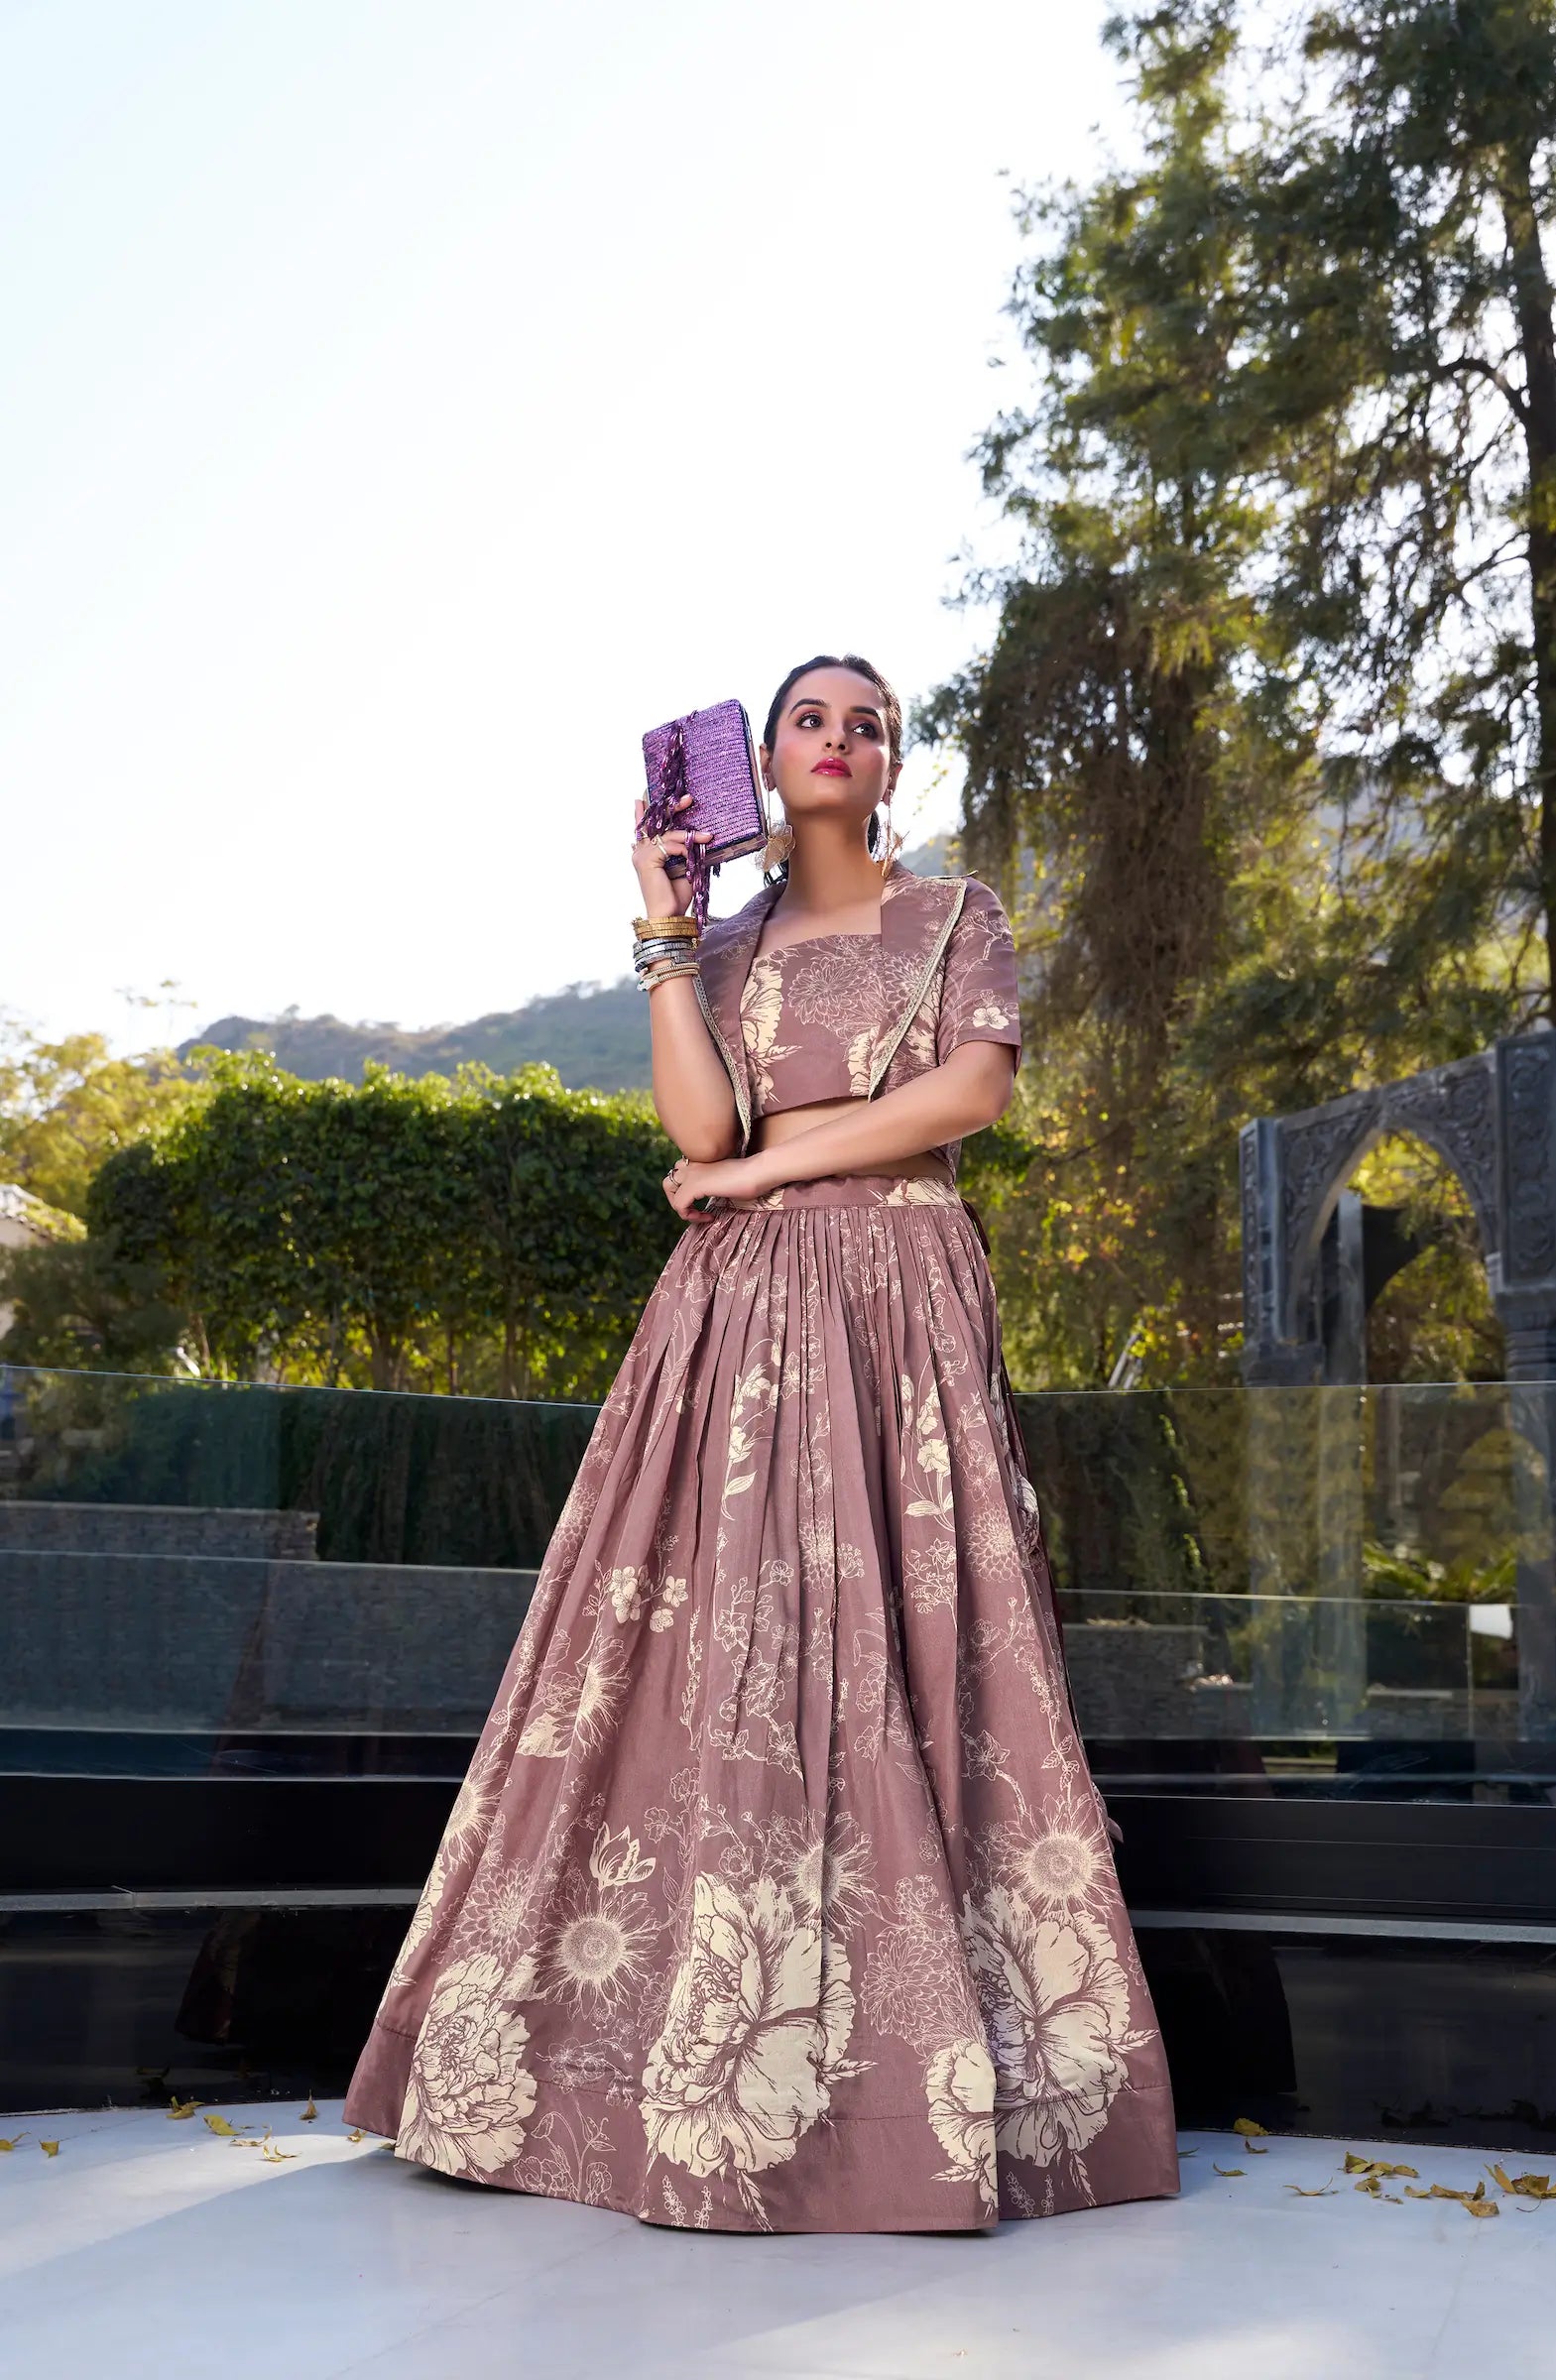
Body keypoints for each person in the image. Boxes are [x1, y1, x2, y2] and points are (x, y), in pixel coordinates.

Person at [344, 654, 1180, 2231]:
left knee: (916, 1629)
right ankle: (669, 2064)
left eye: (869, 723)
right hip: (736, 1315)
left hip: (900, 1288)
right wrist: (665, 932)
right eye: (810, 718)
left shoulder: (958, 916)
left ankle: (915, 2101)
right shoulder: (723, 948)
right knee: (713, 1634)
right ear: (769, 756)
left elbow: (970, 1094)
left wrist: (753, 1183)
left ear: (892, 765)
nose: (839, 738)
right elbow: (699, 1129)